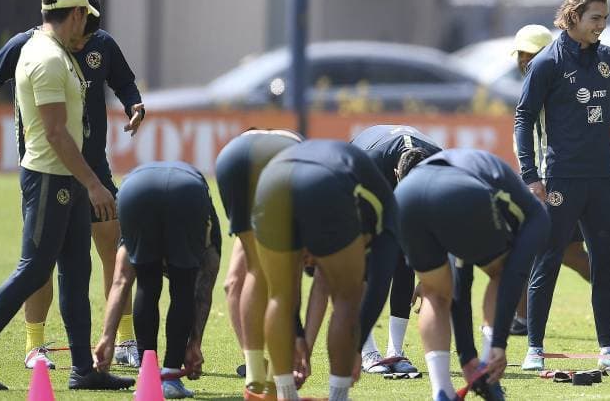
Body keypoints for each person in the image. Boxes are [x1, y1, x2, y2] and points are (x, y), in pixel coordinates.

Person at [0, 0, 146, 369]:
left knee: (107, 250)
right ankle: (33, 345)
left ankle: (117, 344)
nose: (86, 39)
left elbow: (124, 82)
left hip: (92, 166)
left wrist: (134, 103)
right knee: (40, 263)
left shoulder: (99, 43)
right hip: (48, 171)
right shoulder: (34, 49)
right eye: (85, 27)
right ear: (76, 17)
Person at [514, 0, 610, 373]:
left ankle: (608, 349)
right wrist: (530, 175)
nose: (602, 25)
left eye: (605, 18)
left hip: (601, 180)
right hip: (560, 179)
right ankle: (535, 348)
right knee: (548, 260)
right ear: (573, 17)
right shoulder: (547, 63)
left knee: (604, 263)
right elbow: (523, 118)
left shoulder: (607, 58)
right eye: (595, 18)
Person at [508, 24, 610, 339]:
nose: (526, 61)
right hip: (551, 179)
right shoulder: (542, 79)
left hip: (557, 180)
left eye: (531, 54)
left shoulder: (555, 77)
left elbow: (608, 116)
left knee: (530, 245)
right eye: (522, 55)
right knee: (562, 251)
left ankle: (525, 320)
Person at [252, 140, 400, 401]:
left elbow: (298, 292)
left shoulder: (375, 213)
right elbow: (379, 285)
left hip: (271, 179)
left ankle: (285, 394)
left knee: (279, 295)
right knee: (346, 298)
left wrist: (299, 336)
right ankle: (338, 396)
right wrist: (356, 347)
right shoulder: (382, 213)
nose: (310, 263)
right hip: (326, 180)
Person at [394, 148, 547, 401]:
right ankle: (489, 366)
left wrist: (467, 358)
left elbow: (460, 283)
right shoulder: (538, 218)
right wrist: (498, 344)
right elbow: (513, 277)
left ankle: (442, 391)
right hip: (460, 191)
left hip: (405, 194)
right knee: (500, 271)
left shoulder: (490, 184)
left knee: (434, 292)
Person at [92, 161, 222, 399]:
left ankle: (148, 376)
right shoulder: (207, 226)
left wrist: (107, 337)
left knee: (147, 283)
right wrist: (194, 343)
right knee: (183, 285)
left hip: (135, 189)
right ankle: (171, 378)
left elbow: (121, 280)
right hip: (187, 192)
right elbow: (202, 289)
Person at [214, 129, 305, 396]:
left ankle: (254, 375)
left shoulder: (247, 143)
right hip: (283, 159)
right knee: (285, 273)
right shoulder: (302, 154)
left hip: (230, 157)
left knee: (255, 266)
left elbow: (233, 282)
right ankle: (279, 377)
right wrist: (298, 333)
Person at [349, 124, 441, 375]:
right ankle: (367, 351)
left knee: (404, 259)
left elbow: (436, 228)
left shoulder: (440, 165)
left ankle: (395, 351)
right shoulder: (369, 165)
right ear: (396, 173)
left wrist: (428, 275)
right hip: (364, 181)